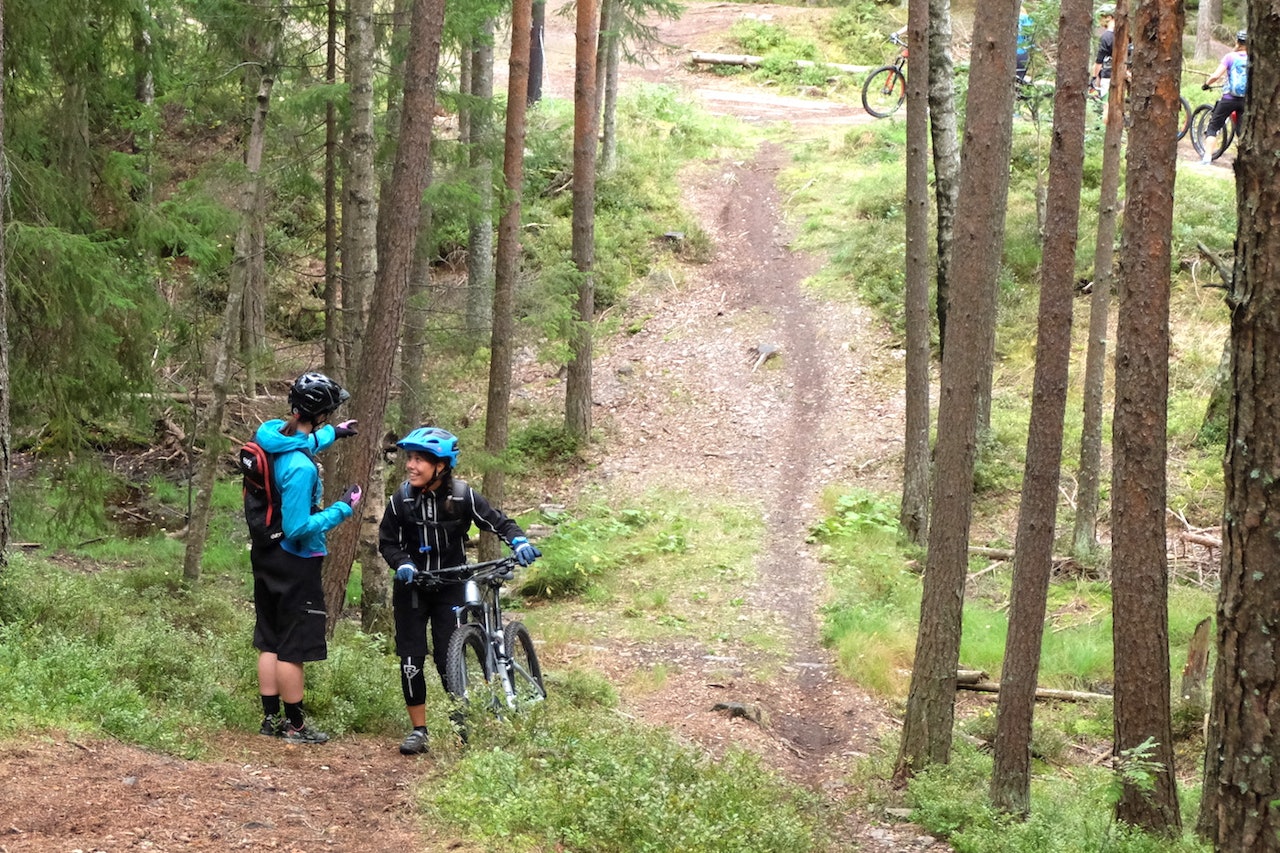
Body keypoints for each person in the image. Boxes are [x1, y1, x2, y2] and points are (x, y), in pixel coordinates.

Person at [379, 427, 542, 755]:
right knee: (411, 659)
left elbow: (499, 522)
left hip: (450, 585)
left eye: (419, 460)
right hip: (412, 587)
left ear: (440, 466)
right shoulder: (402, 499)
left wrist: (520, 540)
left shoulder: (462, 496)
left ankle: (460, 723)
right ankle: (419, 731)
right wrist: (403, 563)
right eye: (409, 458)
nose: (410, 465)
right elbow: (387, 541)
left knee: (446, 655)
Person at [251, 371, 363, 745]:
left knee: (269, 638)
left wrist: (336, 433)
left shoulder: (270, 439)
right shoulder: (299, 468)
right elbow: (298, 526)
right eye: (328, 415)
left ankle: (269, 720)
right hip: (294, 559)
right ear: (317, 414)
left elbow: (303, 442)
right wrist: (342, 509)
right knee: (292, 646)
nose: (328, 419)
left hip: (266, 552)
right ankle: (295, 727)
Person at [1199, 30, 1248, 165]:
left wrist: (1206, 84)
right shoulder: (1253, 58)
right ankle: (1244, 161)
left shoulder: (1230, 57)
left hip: (1229, 98)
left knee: (1213, 127)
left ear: (1237, 42)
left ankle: (1207, 158)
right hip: (1245, 100)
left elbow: (1216, 76)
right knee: (1242, 131)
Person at [1091, 5, 1117, 104]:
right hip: (1125, 74)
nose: (1100, 21)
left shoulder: (1106, 36)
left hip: (1108, 76)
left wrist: (1094, 78)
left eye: (1102, 17)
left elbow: (1099, 60)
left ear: (1109, 17)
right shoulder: (1126, 35)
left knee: (1107, 105)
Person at [1016, 4, 1035, 80]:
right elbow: (1031, 40)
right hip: (1024, 54)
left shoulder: (1010, 19)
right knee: (1019, 78)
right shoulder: (1029, 20)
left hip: (1011, 53)